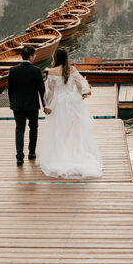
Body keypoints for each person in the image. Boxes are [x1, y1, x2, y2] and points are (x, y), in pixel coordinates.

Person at [39, 48, 103, 179]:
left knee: (59, 129)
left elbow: (50, 92)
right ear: (66, 57)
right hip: (73, 102)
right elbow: (81, 88)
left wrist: (47, 106)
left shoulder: (51, 72)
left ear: (55, 57)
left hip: (59, 103)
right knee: (74, 130)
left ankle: (60, 155)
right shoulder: (72, 70)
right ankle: (76, 155)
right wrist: (84, 93)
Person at [8, 44, 46, 166]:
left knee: (19, 130)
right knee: (33, 128)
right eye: (34, 54)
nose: (35, 56)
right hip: (32, 105)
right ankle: (31, 153)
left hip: (17, 105)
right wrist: (45, 105)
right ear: (30, 56)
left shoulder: (13, 70)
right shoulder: (36, 71)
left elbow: (10, 90)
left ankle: (19, 158)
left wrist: (12, 103)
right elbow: (42, 90)